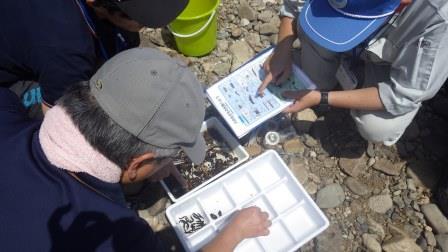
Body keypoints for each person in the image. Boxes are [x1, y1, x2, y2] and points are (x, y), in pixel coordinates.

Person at [0, 48, 271, 251]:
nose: (167, 166)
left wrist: (153, 164)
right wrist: (236, 231)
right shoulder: (118, 234)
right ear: (136, 163)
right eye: (167, 160)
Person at [259, 0, 448, 146]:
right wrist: (283, 48)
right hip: (337, 30)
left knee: (377, 127)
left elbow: (402, 95)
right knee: (312, 76)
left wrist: (321, 98)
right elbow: (295, 5)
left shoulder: (440, 17)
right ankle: (340, 54)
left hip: (391, 62)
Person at [0, 0, 189, 118]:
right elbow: (57, 122)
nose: (147, 28)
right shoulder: (68, 50)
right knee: (74, 112)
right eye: (141, 22)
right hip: (9, 80)